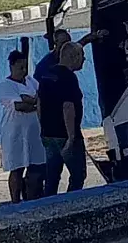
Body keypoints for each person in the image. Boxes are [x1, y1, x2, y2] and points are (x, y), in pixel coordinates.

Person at [37, 42, 88, 194]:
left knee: (52, 177)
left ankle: (48, 206)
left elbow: (39, 104)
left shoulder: (46, 75)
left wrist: (43, 128)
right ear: (73, 57)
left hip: (49, 134)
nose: (84, 60)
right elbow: (68, 107)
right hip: (65, 135)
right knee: (78, 175)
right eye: (82, 56)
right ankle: (70, 206)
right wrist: (72, 137)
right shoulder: (68, 77)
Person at [0, 50, 44, 203]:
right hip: (15, 133)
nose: (23, 71)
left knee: (36, 166)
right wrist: (35, 102)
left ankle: (32, 197)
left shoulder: (30, 81)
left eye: (25, 67)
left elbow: (41, 96)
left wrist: (32, 100)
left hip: (33, 133)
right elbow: (20, 106)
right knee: (17, 169)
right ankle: (15, 201)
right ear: (11, 66)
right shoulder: (5, 86)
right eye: (20, 68)